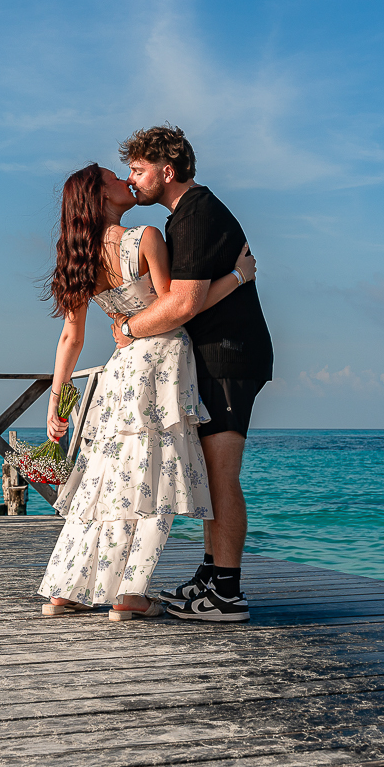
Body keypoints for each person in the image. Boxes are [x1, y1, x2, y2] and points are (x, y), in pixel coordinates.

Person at [37, 163, 256, 621]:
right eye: (115, 178)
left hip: (120, 373)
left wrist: (56, 399)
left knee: (103, 480)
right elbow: (181, 307)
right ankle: (129, 594)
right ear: (100, 196)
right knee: (154, 478)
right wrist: (238, 276)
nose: (127, 181)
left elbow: (70, 338)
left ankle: (66, 588)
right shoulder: (145, 238)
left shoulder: (77, 259)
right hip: (161, 364)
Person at [113, 125, 274, 623]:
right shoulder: (185, 215)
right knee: (208, 473)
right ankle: (210, 575)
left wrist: (130, 327)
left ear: (167, 171)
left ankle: (227, 592)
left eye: (137, 169)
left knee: (221, 475)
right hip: (214, 356)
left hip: (228, 356)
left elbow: (183, 303)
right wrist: (238, 277)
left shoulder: (196, 212)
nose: (131, 179)